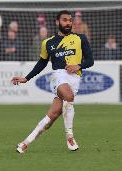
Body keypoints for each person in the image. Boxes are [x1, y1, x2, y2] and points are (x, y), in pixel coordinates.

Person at [11, 10, 94, 153]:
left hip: (75, 79)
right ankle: (70, 136)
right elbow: (42, 63)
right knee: (68, 96)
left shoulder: (81, 38)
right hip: (59, 76)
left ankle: (25, 143)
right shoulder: (48, 43)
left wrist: (78, 65)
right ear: (57, 22)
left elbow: (90, 60)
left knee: (52, 116)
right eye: (64, 20)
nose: (68, 23)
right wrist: (27, 78)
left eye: (70, 20)